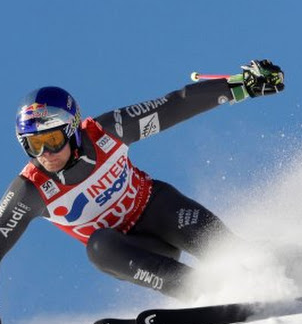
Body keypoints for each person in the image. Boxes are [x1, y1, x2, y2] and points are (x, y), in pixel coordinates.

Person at [0, 59, 285, 305]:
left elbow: (175, 105)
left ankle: (295, 267)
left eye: (52, 140)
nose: (45, 154)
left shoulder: (107, 132)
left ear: (72, 130)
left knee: (234, 254)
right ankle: (200, 290)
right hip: (134, 249)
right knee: (98, 248)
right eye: (33, 145)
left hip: (162, 212)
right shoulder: (30, 189)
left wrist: (240, 87)